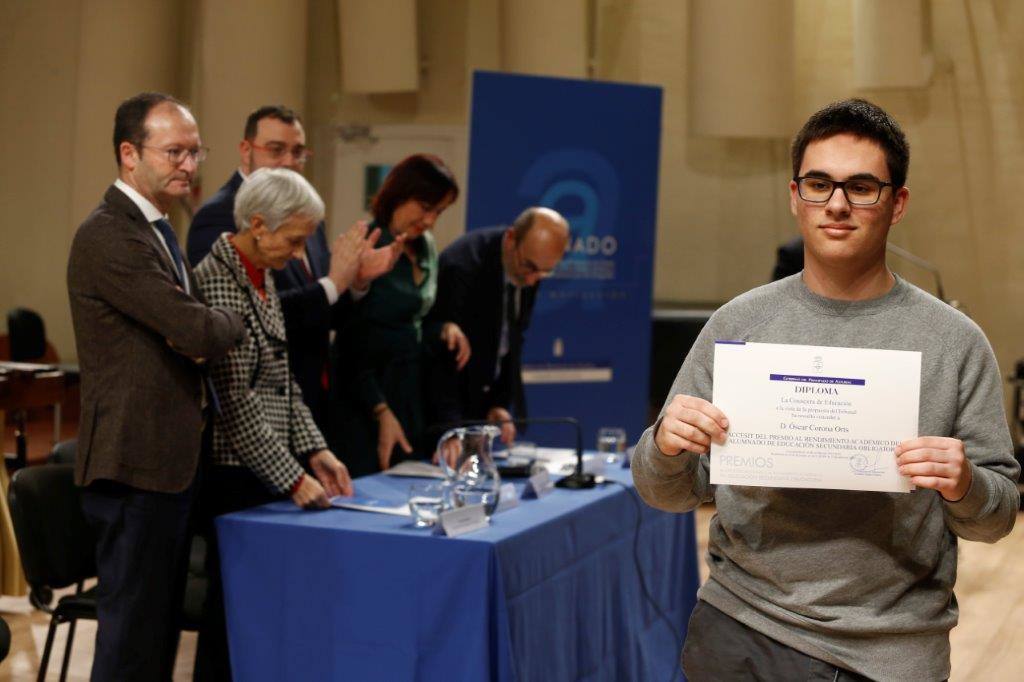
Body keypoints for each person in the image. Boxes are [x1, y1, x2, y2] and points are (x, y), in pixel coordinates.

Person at [632, 98, 1020, 681]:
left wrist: (964, 484)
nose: (837, 204)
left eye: (862, 187)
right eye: (819, 184)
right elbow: (663, 492)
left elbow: (996, 518)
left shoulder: (955, 341)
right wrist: (664, 446)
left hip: (892, 653)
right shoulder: (738, 325)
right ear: (795, 197)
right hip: (741, 632)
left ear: (898, 203)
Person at [67, 92, 244, 680]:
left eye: (195, 153)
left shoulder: (161, 228)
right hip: (133, 465)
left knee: (159, 637)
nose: (189, 166)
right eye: (174, 152)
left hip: (168, 465)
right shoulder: (109, 235)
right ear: (128, 154)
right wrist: (227, 320)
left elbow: (190, 330)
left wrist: (199, 328)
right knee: (132, 646)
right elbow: (196, 327)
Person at [192, 167, 354, 681]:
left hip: (269, 468)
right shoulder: (217, 281)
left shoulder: (261, 276)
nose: (300, 254)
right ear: (258, 224)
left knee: (269, 612)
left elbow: (285, 384)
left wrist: (317, 451)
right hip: (233, 475)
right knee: (232, 615)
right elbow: (235, 404)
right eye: (295, 240)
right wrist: (294, 479)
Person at [187, 105, 401, 428]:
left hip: (308, 399)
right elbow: (246, 319)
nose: (289, 161)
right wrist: (331, 285)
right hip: (252, 409)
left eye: (298, 152)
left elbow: (325, 312)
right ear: (246, 151)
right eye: (276, 150)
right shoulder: (220, 215)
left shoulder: (304, 214)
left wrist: (354, 282)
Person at [327, 154, 467, 477]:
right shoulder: (367, 242)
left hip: (409, 391)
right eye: (425, 207)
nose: (430, 220)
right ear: (399, 195)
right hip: (364, 395)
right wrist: (380, 409)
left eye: (439, 212)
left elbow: (417, 319)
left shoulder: (427, 245)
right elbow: (349, 338)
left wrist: (445, 326)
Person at [425, 207, 570, 446]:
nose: (534, 280)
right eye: (531, 267)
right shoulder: (462, 265)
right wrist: (450, 431)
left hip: (478, 405)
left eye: (546, 272)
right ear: (512, 239)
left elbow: (511, 338)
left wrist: (499, 403)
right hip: (440, 410)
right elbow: (441, 357)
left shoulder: (529, 266)